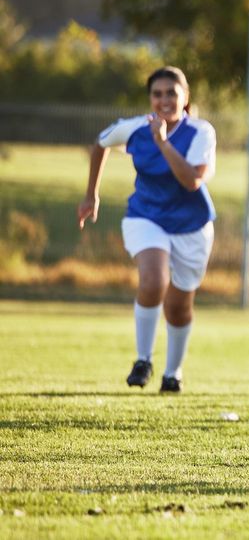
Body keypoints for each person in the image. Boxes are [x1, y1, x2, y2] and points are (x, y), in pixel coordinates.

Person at [78, 66, 216, 394]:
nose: (164, 99)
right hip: (145, 217)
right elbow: (100, 145)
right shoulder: (134, 128)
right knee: (154, 280)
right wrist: (90, 194)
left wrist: (163, 142)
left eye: (172, 93)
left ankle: (173, 373)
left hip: (191, 226)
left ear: (185, 99)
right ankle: (143, 360)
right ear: (150, 98)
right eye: (158, 93)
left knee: (179, 306)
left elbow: (191, 180)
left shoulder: (201, 132)